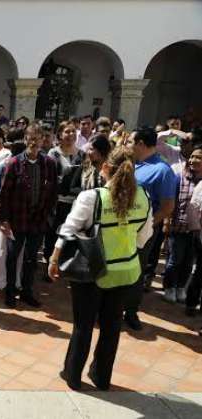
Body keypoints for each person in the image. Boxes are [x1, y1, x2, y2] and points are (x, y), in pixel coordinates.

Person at [49, 147, 152, 391]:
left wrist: (54, 259)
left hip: (93, 272)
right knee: (112, 326)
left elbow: (68, 229)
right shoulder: (143, 196)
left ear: (105, 168)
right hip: (126, 271)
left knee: (83, 325)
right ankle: (101, 377)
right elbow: (143, 238)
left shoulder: (91, 197)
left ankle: (73, 376)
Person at [0, 123, 58, 308]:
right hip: (17, 219)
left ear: (43, 141)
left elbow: (53, 191)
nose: (34, 142)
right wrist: (4, 220)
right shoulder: (14, 163)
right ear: (25, 140)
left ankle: (26, 291)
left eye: (38, 139)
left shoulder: (49, 164)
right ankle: (10, 292)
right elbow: (4, 194)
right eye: (31, 139)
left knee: (32, 258)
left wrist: (48, 216)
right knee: (12, 256)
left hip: (38, 220)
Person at [124, 127, 177, 330]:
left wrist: (146, 226)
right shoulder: (132, 164)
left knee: (135, 270)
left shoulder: (162, 170)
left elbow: (167, 207)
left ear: (141, 144)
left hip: (142, 232)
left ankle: (130, 311)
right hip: (120, 227)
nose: (127, 145)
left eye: (130, 141)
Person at [162, 146, 202, 303]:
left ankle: (180, 288)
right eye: (191, 157)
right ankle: (169, 287)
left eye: (198, 157)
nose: (192, 160)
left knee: (188, 262)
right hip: (178, 226)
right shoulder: (180, 177)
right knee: (175, 259)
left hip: (196, 231)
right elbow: (171, 201)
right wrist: (167, 221)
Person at [44, 121, 85, 264]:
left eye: (73, 131)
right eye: (67, 131)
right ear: (60, 135)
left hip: (76, 203)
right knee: (53, 235)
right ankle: (50, 263)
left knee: (71, 236)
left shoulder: (82, 154)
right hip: (57, 203)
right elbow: (49, 179)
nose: (71, 134)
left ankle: (65, 264)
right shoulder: (53, 154)